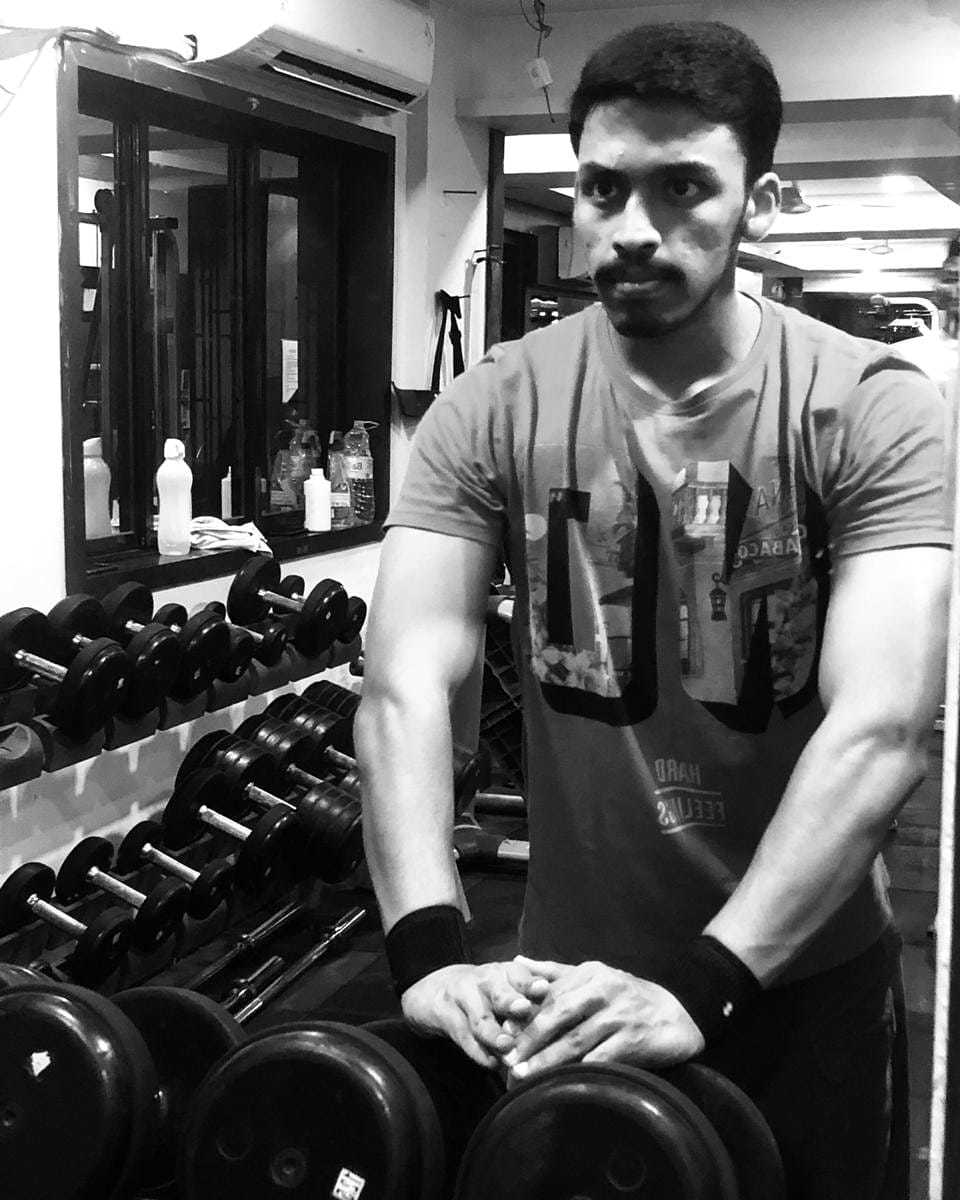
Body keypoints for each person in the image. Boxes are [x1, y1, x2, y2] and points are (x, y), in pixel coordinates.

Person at [355, 21, 951, 1199]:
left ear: (758, 203)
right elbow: (405, 681)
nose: (632, 227)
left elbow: (882, 728)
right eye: (603, 188)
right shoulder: (494, 405)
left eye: (682, 188)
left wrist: (707, 984)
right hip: (566, 987)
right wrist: (425, 945)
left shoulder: (870, 408)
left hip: (795, 982)